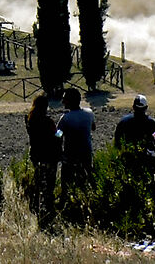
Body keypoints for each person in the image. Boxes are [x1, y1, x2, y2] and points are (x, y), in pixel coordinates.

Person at [25, 93, 60, 221]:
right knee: (50, 183)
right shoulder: (48, 121)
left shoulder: (30, 120)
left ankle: (37, 206)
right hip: (50, 155)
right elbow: (57, 136)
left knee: (39, 180)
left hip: (36, 154)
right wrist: (61, 130)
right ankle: (49, 208)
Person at [57, 86, 95, 188]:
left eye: (64, 99)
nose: (62, 102)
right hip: (87, 153)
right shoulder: (89, 113)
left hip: (70, 155)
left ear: (69, 101)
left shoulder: (65, 118)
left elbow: (58, 136)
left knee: (66, 183)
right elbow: (93, 127)